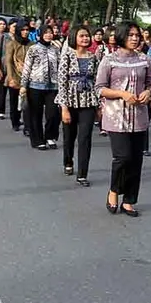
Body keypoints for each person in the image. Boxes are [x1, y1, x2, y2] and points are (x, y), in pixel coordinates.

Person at [95, 22, 151, 216]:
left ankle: (129, 200)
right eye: (130, 35)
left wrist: (148, 92)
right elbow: (99, 88)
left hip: (138, 117)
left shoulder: (144, 59)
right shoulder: (109, 60)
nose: (135, 38)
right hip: (116, 117)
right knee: (123, 157)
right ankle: (114, 191)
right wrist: (121, 94)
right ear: (122, 36)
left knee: (136, 160)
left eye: (137, 35)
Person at [58, 25, 100, 186]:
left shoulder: (94, 57)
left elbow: (97, 81)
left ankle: (82, 174)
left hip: (88, 101)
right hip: (70, 100)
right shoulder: (67, 56)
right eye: (81, 36)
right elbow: (62, 82)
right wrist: (64, 107)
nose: (85, 39)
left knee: (85, 138)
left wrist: (99, 106)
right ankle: (68, 161)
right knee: (69, 136)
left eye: (87, 36)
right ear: (74, 37)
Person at [21, 25, 61, 150]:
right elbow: (27, 67)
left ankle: (50, 136)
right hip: (35, 85)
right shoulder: (33, 49)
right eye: (46, 33)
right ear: (41, 34)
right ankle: (38, 139)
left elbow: (61, 66)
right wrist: (23, 85)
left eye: (50, 33)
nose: (49, 35)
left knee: (52, 113)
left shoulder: (55, 49)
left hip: (53, 86)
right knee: (35, 114)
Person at [3, 20, 31, 133]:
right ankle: (15, 121)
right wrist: (11, 78)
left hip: (28, 77)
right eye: (23, 30)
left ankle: (28, 127)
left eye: (27, 30)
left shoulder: (32, 45)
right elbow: (8, 62)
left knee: (27, 103)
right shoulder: (12, 44)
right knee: (14, 102)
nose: (25, 32)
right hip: (15, 75)